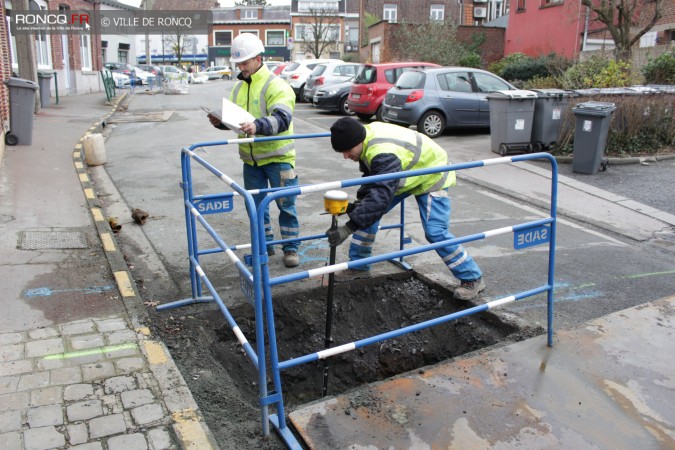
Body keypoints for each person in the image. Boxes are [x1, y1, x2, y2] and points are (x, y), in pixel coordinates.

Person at [326, 117, 485, 301]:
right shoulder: (365, 136)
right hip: (406, 173)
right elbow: (373, 179)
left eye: (347, 150)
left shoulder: (383, 152)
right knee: (367, 210)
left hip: (432, 173)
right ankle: (359, 266)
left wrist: (348, 227)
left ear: (358, 142)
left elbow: (380, 194)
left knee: (435, 232)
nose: (345, 156)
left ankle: (472, 277)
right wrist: (358, 205)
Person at [208, 34, 300, 267]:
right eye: (238, 63)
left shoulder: (277, 85)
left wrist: (257, 125)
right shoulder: (239, 87)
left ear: (258, 59)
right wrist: (220, 122)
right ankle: (265, 245)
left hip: (279, 158)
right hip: (251, 161)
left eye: (244, 63)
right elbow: (235, 120)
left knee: (286, 205)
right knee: (256, 208)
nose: (241, 67)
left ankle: (291, 249)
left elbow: (282, 119)